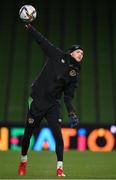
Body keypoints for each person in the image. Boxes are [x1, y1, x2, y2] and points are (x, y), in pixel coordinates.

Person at [18, 23, 84, 177]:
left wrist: (72, 113)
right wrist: (30, 28)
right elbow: (42, 41)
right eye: (79, 52)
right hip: (38, 101)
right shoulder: (57, 55)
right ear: (71, 53)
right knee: (27, 135)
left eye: (82, 53)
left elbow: (68, 97)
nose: (81, 54)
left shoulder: (74, 75)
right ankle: (23, 161)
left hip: (53, 105)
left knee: (58, 138)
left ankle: (59, 168)